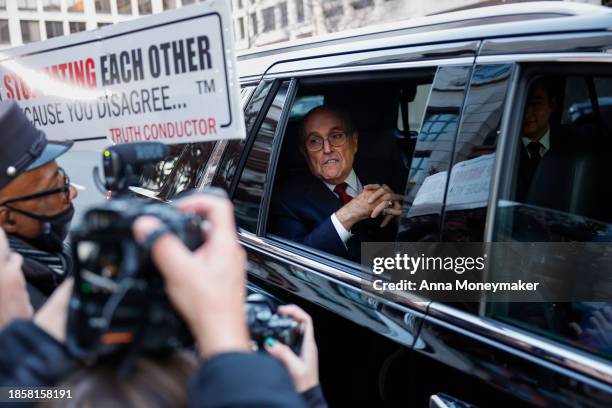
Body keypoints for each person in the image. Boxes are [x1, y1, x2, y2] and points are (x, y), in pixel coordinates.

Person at [0, 193, 310, 407]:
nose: (17, 261)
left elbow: (13, 393)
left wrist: (38, 340)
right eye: (6, 258)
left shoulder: (20, 390)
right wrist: (309, 396)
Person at [271, 105, 403, 260]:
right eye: (314, 141)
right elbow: (293, 265)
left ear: (354, 141)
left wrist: (403, 221)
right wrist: (349, 213)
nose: (327, 149)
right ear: (305, 153)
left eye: (336, 136)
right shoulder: (288, 199)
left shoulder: (388, 173)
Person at [0, 101, 78, 306]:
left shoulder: (54, 260)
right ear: (8, 219)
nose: (72, 193)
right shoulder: (22, 306)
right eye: (55, 189)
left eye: (64, 178)